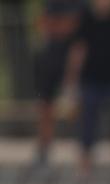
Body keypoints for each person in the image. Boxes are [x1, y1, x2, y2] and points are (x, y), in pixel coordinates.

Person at [65, 0, 110, 174]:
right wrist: (72, 77)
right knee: (87, 119)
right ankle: (85, 159)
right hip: (91, 78)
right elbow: (78, 49)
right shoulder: (86, 18)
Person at [33, 0, 83, 166]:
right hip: (48, 63)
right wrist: (64, 25)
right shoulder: (52, 3)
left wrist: (59, 25)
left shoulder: (80, 4)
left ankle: (82, 153)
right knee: (45, 108)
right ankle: (43, 151)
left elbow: (77, 27)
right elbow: (42, 24)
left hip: (72, 64)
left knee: (76, 109)